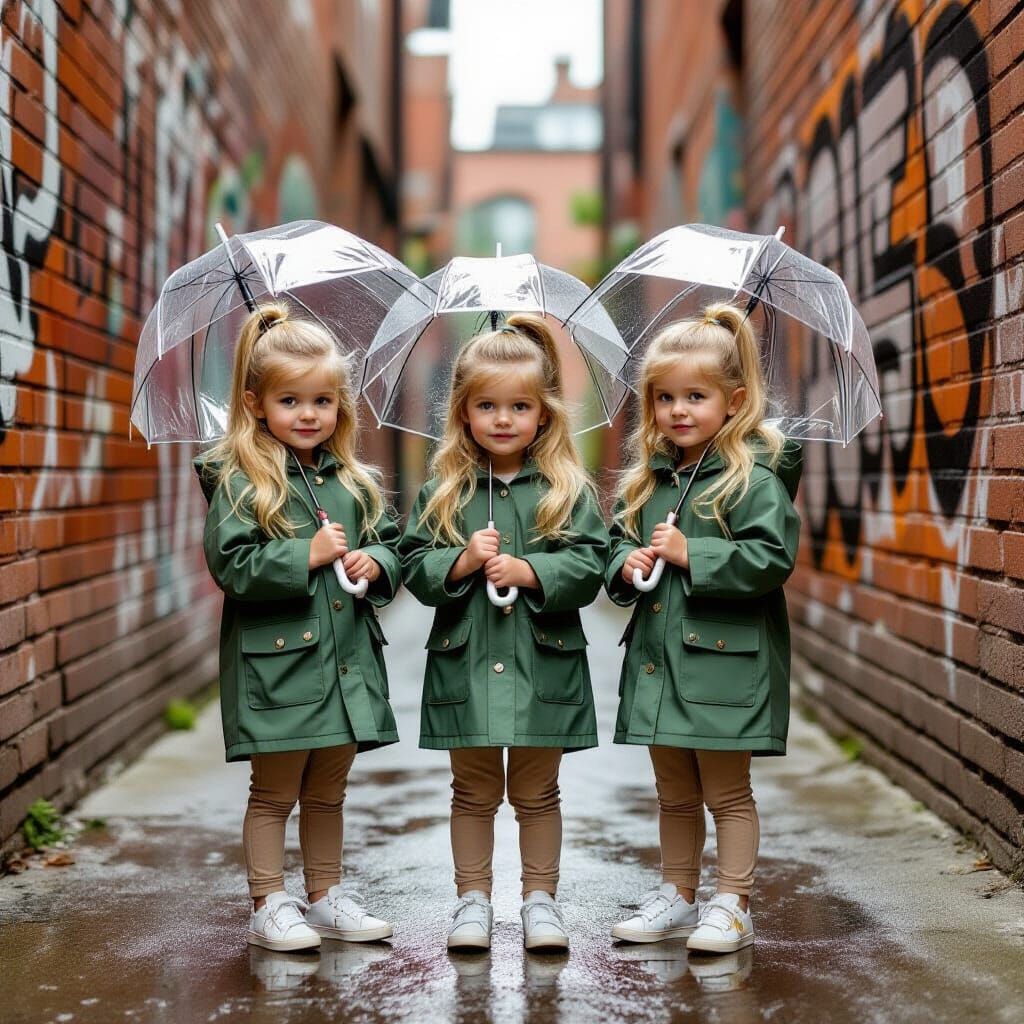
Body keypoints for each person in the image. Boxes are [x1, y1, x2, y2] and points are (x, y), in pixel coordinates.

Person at [399, 313, 608, 952]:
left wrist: (530, 569)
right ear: (463, 413)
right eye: (486, 405)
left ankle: (540, 899)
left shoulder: (566, 489)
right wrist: (460, 561)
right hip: (467, 662)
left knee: (539, 790)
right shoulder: (445, 491)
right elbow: (412, 562)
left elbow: (590, 564)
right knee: (473, 789)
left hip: (544, 662)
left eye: (519, 405)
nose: (502, 419)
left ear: (542, 414)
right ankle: (473, 900)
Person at [195, 303, 400, 952]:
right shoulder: (243, 480)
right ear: (255, 403)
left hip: (345, 667)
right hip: (278, 667)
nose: (308, 414)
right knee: (274, 789)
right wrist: (302, 555)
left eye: (323, 400)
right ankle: (268, 901)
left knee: (328, 790)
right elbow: (232, 563)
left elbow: (392, 543)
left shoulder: (355, 482)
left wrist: (377, 562)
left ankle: (325, 892)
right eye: (290, 400)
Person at [605, 302, 801, 954]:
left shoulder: (753, 479)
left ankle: (732, 902)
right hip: (661, 664)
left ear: (734, 399)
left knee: (726, 791)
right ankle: (678, 893)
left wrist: (697, 554)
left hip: (725, 665)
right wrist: (627, 565)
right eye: (665, 398)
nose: (679, 410)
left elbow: (770, 560)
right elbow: (615, 549)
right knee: (674, 792)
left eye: (696, 395)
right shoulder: (650, 481)